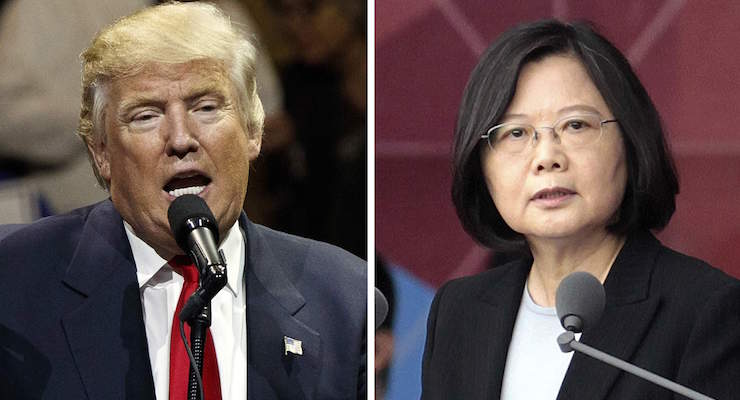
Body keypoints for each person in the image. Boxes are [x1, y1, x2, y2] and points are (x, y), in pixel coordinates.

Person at [0, 2, 366, 399]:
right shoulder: (13, 281)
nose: (180, 139)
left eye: (206, 108)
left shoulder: (345, 300)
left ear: (253, 132)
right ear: (101, 153)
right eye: (145, 116)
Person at [421, 20, 740, 400]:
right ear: (481, 166)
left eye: (575, 125)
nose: (546, 157)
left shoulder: (704, 310)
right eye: (516, 133)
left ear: (630, 141)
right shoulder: (458, 311)